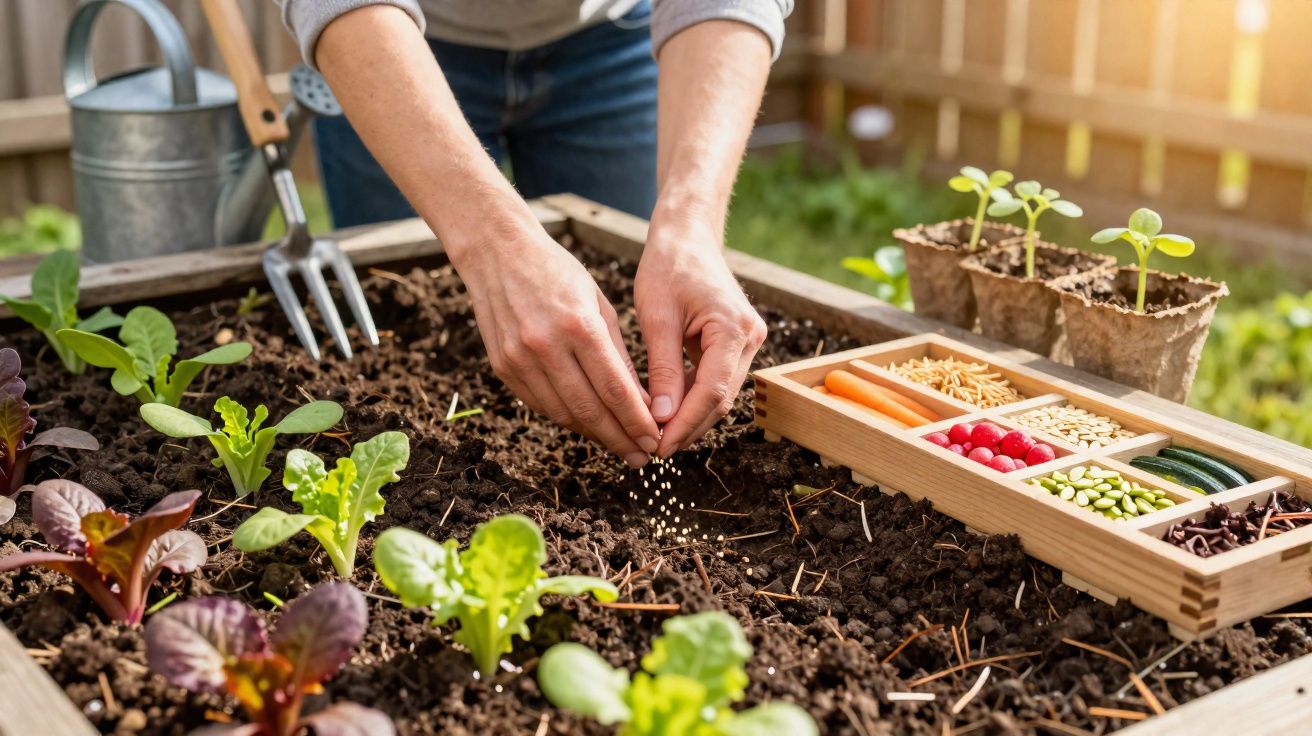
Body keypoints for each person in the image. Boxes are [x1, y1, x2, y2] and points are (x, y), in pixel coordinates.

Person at [275, 0, 792, 468]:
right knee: (385, 331)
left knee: (627, 321)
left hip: (613, 38)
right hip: (385, 40)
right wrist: (491, 243)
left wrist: (692, 222)